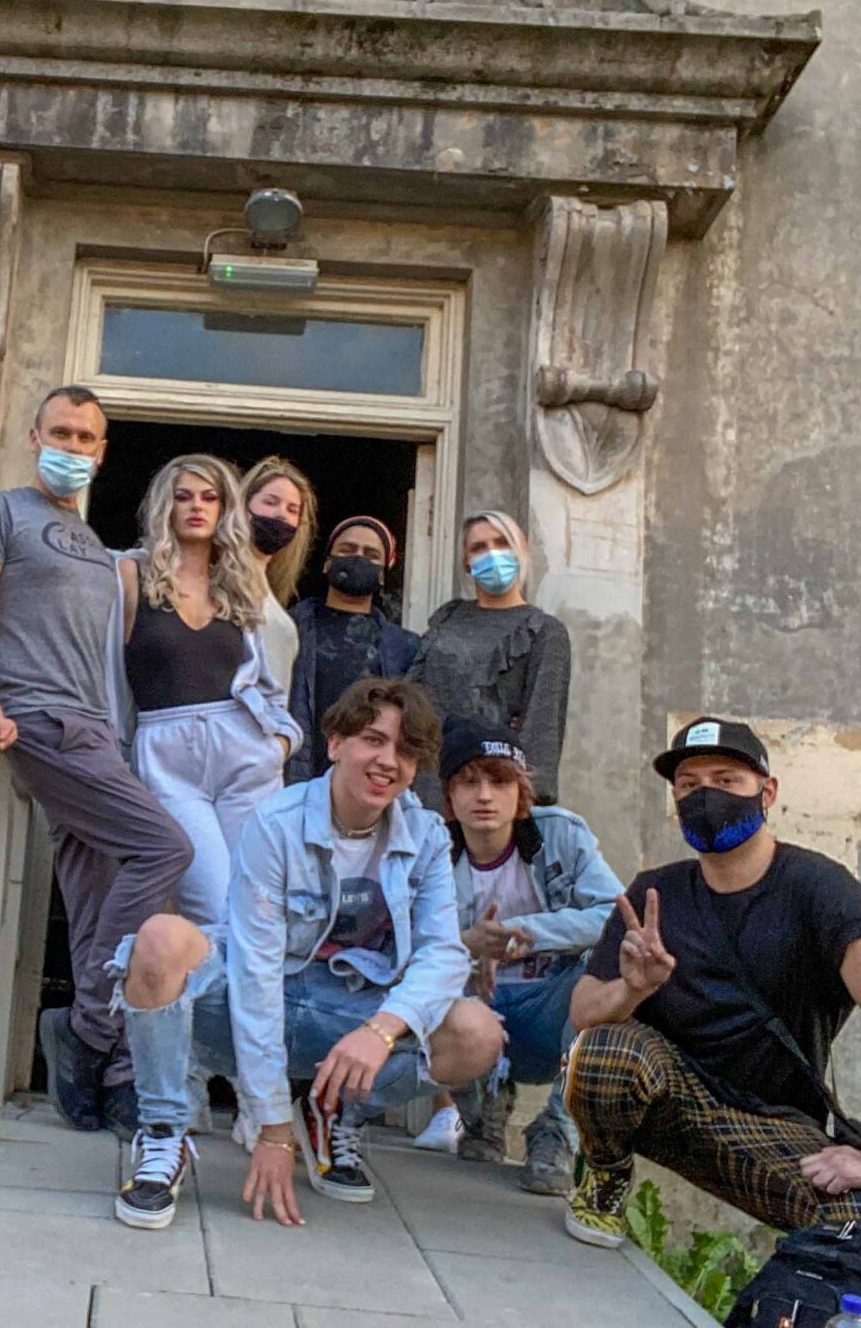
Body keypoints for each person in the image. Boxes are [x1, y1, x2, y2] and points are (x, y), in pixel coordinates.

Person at [104, 678, 505, 1231]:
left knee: (477, 1033)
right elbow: (255, 973)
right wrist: (271, 1126)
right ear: (336, 743)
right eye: (373, 740)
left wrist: (382, 1030)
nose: (389, 760)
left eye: (407, 750)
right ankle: (163, 1138)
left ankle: (334, 1112)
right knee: (158, 940)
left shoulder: (427, 836)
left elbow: (443, 956)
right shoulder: (276, 823)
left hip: (347, 1012)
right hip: (249, 999)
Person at [560, 717, 861, 1250]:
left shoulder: (821, 890)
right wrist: (633, 989)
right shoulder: (654, 894)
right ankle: (605, 1178)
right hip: (666, 1101)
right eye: (689, 785)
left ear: (767, 791)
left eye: (726, 780)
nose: (705, 795)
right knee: (605, 1052)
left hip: (770, 1125)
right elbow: (583, 1013)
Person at [0, 384, 192, 1135]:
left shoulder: (96, 545)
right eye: (61, 431)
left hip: (97, 731)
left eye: (87, 436)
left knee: (96, 897)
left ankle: (106, 1065)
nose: (74, 446)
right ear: (34, 434)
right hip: (37, 719)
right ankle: (89, 1027)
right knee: (164, 847)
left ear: (102, 449)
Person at [410, 717, 624, 1190]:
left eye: (499, 780)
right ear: (449, 797)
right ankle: (482, 1106)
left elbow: (617, 915)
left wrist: (522, 934)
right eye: (468, 782)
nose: (484, 795)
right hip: (475, 1014)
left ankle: (555, 1132)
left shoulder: (561, 836)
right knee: (422, 985)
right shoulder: (430, 851)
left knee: (614, 975)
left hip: (550, 1010)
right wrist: (469, 945)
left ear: (521, 792)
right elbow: (401, 946)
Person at [118, 455, 300, 930]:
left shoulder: (240, 583)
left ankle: (254, 1007)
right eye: (183, 496)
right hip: (166, 753)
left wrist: (278, 746)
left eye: (209, 497)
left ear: (226, 508)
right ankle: (208, 1004)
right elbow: (107, 678)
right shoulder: (128, 575)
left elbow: (273, 687)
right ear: (166, 506)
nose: (196, 507)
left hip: (244, 750)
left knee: (261, 906)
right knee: (214, 906)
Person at [411, 510, 572, 805]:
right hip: (424, 788)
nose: (491, 554)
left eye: (501, 543)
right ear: (466, 563)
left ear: (521, 552)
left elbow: (541, 729)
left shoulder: (544, 631)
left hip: (489, 793)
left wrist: (528, 806)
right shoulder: (448, 619)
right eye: (478, 547)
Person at [286, 515, 420, 784]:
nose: (358, 558)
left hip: (368, 784)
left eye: (371, 555)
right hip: (294, 779)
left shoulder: (405, 648)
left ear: (383, 573)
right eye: (347, 550)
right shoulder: (288, 628)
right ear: (327, 563)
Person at [239, 456, 315, 727]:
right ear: (243, 507)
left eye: (292, 509)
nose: (281, 515)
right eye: (270, 503)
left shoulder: (276, 606)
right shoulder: (214, 584)